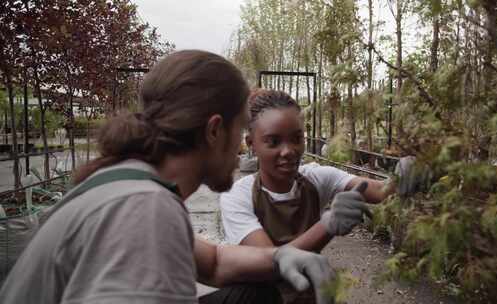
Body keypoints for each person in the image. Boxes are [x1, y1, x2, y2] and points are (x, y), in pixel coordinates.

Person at [0, 51, 336, 304]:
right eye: (241, 129)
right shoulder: (144, 208)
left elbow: (216, 262)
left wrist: (280, 256)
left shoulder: (130, 182)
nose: (241, 147)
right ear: (215, 130)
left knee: (256, 294)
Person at [220, 89, 397, 253]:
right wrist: (327, 225)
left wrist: (406, 174)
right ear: (252, 144)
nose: (288, 151)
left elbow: (381, 191)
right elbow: (269, 261)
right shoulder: (237, 197)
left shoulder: (317, 178)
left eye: (297, 138)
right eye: (273, 141)